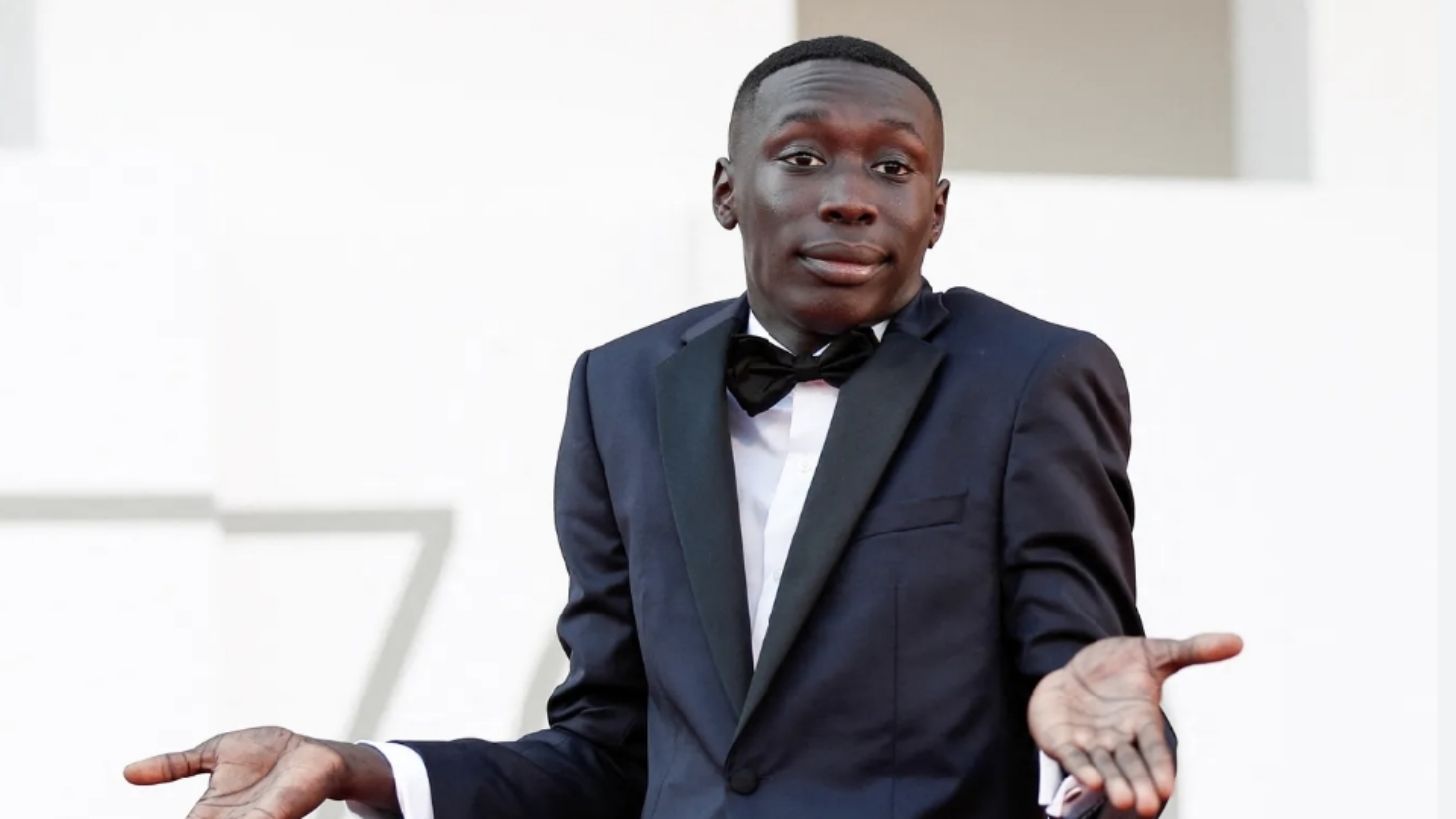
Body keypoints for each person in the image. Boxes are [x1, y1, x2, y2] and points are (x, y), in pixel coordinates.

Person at [124, 36, 1241, 819]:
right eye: (802, 156)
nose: (851, 195)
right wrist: (356, 767)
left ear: (935, 210)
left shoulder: (1034, 376)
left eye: (894, 167)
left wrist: (1090, 759)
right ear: (726, 189)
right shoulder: (618, 388)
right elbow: (608, 751)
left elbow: (1084, 686)